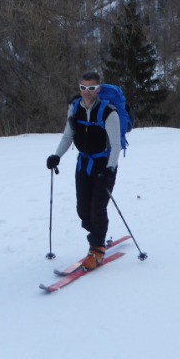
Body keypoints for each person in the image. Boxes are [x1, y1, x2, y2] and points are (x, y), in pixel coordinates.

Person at [46, 71, 122, 270]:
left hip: (103, 165)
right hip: (83, 164)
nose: (86, 92)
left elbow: (115, 145)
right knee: (83, 209)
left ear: (98, 89)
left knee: (97, 208)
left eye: (91, 88)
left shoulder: (109, 112)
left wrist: (110, 169)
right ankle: (98, 236)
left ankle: (96, 249)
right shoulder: (75, 108)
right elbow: (68, 136)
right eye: (83, 87)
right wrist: (56, 156)